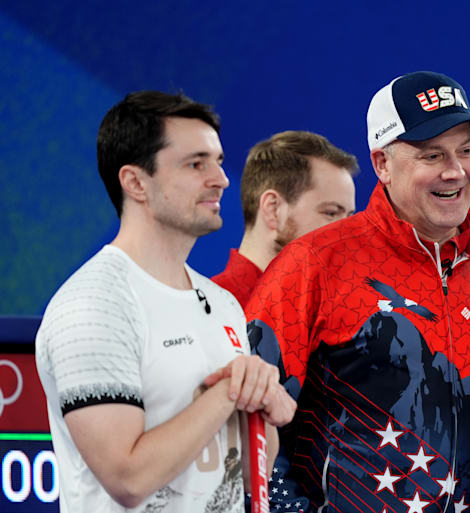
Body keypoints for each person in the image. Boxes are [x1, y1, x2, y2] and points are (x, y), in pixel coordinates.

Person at [245, 71, 470, 513]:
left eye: (465, 150)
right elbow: (251, 417)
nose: (455, 171)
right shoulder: (315, 262)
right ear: (382, 164)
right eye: (432, 155)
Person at [34, 91, 296, 513]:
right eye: (196, 164)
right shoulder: (93, 306)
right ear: (136, 182)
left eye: (218, 161)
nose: (221, 179)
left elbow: (252, 473)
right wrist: (229, 391)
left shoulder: (223, 304)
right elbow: (128, 479)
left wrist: (260, 396)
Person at [212, 130, 358, 307]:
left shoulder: (334, 308)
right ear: (273, 209)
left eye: (349, 217)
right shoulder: (212, 310)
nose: (348, 233)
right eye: (331, 213)